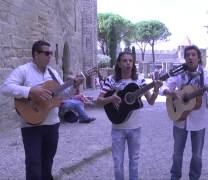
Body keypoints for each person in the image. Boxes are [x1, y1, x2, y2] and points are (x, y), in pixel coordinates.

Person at [0, 40, 84, 180]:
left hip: (52, 125)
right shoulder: (24, 70)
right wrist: (30, 91)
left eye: (51, 53)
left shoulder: (53, 73)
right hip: (31, 125)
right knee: (33, 164)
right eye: (46, 53)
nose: (49, 56)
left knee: (47, 164)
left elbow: (62, 95)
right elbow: (5, 88)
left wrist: (75, 86)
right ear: (35, 54)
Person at [96, 51, 162, 180]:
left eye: (130, 61)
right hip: (117, 127)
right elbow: (98, 101)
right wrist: (111, 99)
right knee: (118, 164)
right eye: (124, 61)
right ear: (119, 64)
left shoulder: (139, 80)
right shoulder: (111, 80)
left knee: (134, 163)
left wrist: (156, 89)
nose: (128, 63)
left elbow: (151, 101)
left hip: (135, 128)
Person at [160, 45, 208, 180]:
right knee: (177, 153)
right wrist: (171, 92)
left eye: (193, 55)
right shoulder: (179, 73)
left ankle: (194, 177)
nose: (190, 57)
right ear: (185, 58)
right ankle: (175, 176)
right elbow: (164, 86)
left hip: (199, 120)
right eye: (188, 55)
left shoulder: (207, 74)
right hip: (179, 118)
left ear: (198, 57)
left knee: (197, 154)